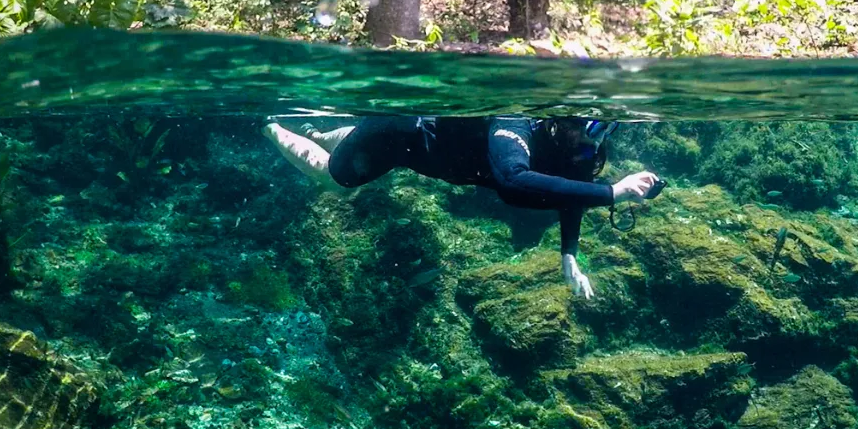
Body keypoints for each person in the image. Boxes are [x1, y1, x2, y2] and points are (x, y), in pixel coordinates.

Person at [262, 115, 661, 299]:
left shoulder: (573, 148)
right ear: (561, 119)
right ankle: (271, 126)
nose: (594, 138)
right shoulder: (514, 125)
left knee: (348, 142)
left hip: (405, 146)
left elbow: (572, 191)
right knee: (333, 180)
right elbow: (513, 180)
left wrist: (568, 255)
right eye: (591, 126)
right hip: (393, 137)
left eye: (607, 128)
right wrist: (613, 194)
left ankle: (318, 130)